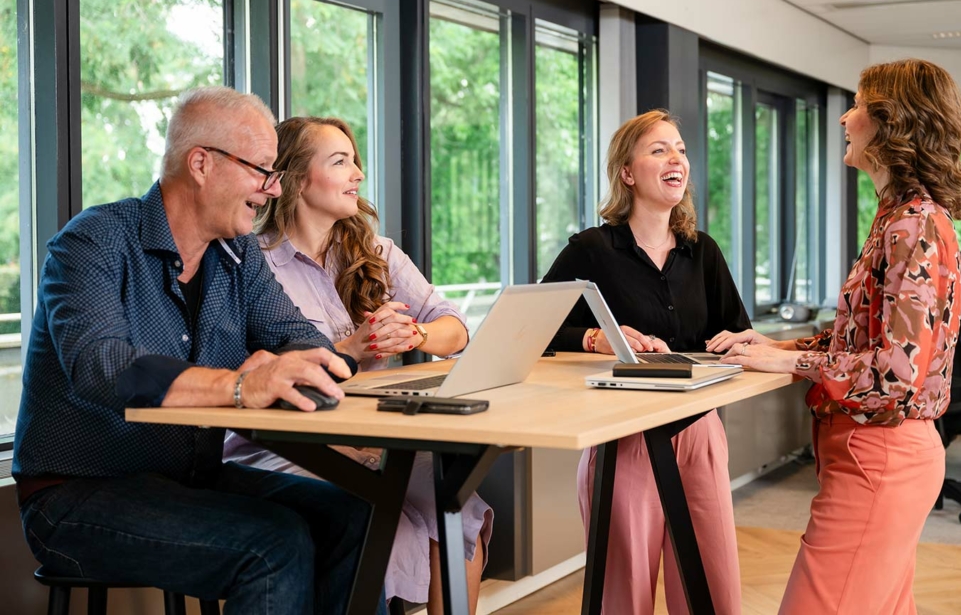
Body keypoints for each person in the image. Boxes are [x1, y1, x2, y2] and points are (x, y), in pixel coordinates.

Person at [12, 87, 387, 615]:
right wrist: (239, 385)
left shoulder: (238, 256)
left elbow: (301, 338)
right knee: (274, 544)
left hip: (188, 480)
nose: (272, 190)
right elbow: (101, 367)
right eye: (262, 169)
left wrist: (296, 362)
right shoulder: (92, 242)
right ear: (202, 164)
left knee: (358, 515)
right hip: (76, 495)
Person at [707, 59, 961, 614]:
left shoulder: (914, 225)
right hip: (872, 451)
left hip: (883, 454)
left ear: (891, 122)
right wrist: (778, 347)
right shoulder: (896, 218)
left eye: (857, 105)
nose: (845, 119)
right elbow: (863, 340)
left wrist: (788, 367)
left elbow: (896, 372)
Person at [223, 115, 492, 614]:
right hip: (292, 441)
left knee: (454, 503)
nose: (358, 175)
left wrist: (416, 333)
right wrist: (355, 345)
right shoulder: (253, 263)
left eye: (356, 162)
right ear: (297, 179)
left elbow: (455, 328)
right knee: (383, 519)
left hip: (375, 438)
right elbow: (254, 369)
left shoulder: (376, 253)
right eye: (341, 162)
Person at [542, 109, 747, 615]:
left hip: (698, 432)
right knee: (623, 594)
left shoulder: (704, 253)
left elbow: (737, 334)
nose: (676, 157)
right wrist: (595, 338)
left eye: (680, 149)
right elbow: (534, 330)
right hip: (623, 437)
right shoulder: (592, 249)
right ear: (628, 173)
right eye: (659, 149)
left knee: (712, 587)